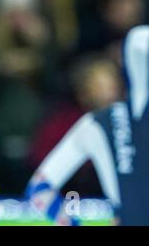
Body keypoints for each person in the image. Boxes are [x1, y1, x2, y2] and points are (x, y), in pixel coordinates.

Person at [25, 25, 149, 225]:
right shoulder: (87, 124)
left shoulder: (95, 124)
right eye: (98, 85)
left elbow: (39, 190)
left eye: (109, 83)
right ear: (83, 93)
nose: (107, 91)